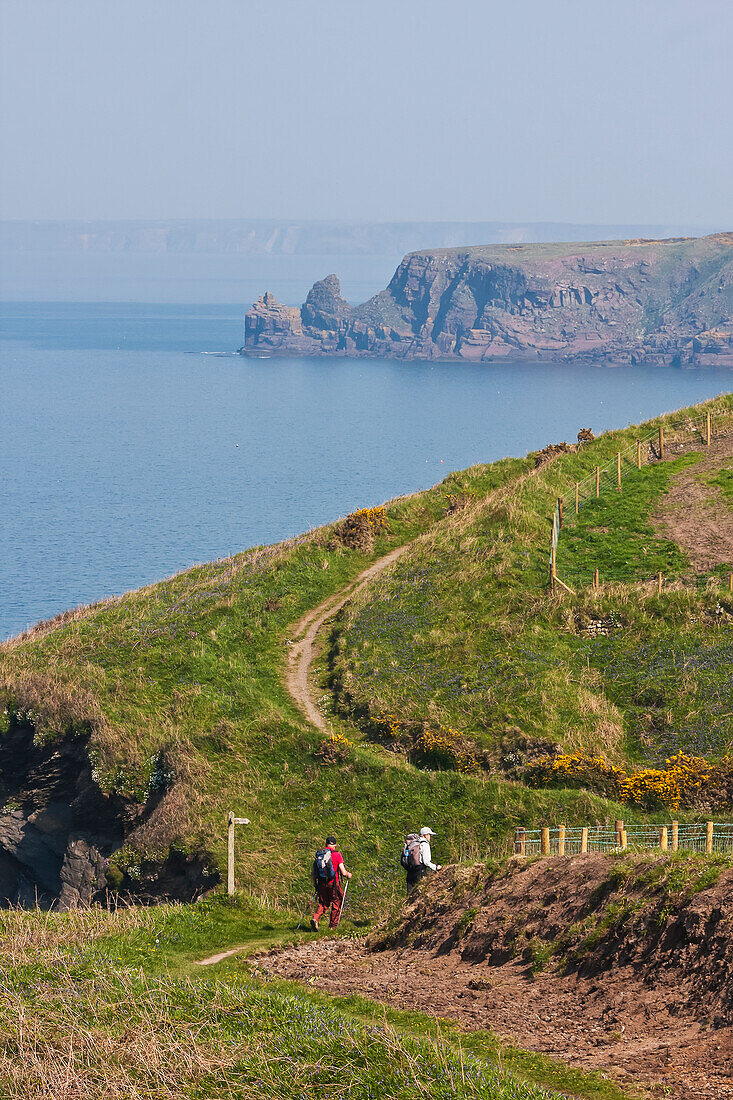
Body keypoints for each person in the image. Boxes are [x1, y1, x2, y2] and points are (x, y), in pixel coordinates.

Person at [310, 835, 352, 931]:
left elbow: (313, 872)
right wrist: (348, 875)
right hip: (333, 883)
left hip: (321, 883)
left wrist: (315, 884)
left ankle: (315, 918)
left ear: (326, 844)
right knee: (337, 902)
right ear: (335, 845)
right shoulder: (337, 855)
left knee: (323, 903)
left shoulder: (320, 854)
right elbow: (343, 872)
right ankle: (332, 927)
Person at [402, 826, 441, 894]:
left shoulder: (413, 844)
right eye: (429, 835)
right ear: (425, 835)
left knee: (410, 895)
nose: (430, 837)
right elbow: (426, 862)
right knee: (422, 894)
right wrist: (436, 867)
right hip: (420, 871)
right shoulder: (424, 844)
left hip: (410, 872)